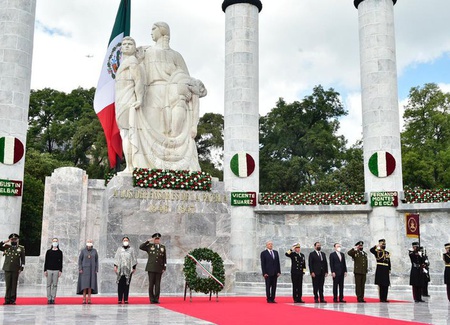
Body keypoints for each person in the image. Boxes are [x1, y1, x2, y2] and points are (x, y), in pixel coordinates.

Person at [133, 21, 207, 171]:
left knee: (172, 132)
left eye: (153, 28)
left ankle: (177, 168)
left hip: (173, 95)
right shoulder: (146, 53)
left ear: (162, 31)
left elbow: (187, 79)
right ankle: (147, 169)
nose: (151, 32)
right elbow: (137, 75)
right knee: (153, 130)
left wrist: (199, 87)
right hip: (151, 94)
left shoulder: (176, 55)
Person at [114, 36, 144, 173]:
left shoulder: (132, 62)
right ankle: (129, 165)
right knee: (124, 134)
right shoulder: (123, 63)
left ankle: (131, 166)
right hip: (121, 102)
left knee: (128, 134)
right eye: (124, 44)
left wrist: (140, 98)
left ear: (134, 47)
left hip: (129, 101)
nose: (126, 46)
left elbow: (138, 81)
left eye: (130, 44)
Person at [140, 233, 167, 304]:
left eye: (158, 239)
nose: (157, 240)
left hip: (159, 268)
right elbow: (141, 247)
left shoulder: (162, 247)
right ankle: (151, 299)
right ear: (153, 239)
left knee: (158, 284)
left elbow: (164, 258)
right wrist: (147, 241)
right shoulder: (149, 246)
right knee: (151, 284)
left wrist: (164, 267)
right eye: (155, 239)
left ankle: (156, 299)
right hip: (151, 268)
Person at [0, 233, 25, 305]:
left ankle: (13, 299)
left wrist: (21, 268)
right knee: (8, 285)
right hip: (7, 268)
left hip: (15, 268)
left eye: (15, 239)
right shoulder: (7, 247)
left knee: (14, 285)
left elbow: (23, 259)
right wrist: (5, 241)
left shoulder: (21, 248)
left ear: (17, 240)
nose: (14, 240)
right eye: (12, 239)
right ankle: (7, 299)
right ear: (10, 240)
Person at [114, 236, 137, 304]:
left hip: (128, 269)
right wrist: (115, 266)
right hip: (120, 270)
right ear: (122, 241)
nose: (125, 241)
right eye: (124, 240)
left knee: (127, 284)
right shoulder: (119, 249)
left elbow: (134, 259)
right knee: (120, 284)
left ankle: (126, 299)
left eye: (127, 240)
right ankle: (120, 299)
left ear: (129, 241)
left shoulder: (131, 250)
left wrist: (134, 267)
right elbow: (116, 258)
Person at [77, 239, 99, 304]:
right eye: (88, 242)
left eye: (90, 242)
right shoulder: (83, 251)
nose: (89, 243)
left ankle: (89, 299)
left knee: (90, 285)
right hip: (84, 270)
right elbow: (80, 260)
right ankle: (84, 299)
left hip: (92, 270)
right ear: (86, 243)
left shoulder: (94, 251)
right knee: (84, 285)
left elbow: (96, 260)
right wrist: (80, 268)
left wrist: (96, 268)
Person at [44, 238, 63, 304]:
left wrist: (60, 270)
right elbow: (46, 261)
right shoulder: (48, 251)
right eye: (54, 241)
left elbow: (61, 262)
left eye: (56, 241)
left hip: (56, 270)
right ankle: (49, 298)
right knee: (48, 284)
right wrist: (45, 270)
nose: (55, 242)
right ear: (52, 243)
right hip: (49, 269)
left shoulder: (60, 252)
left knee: (55, 284)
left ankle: (53, 298)